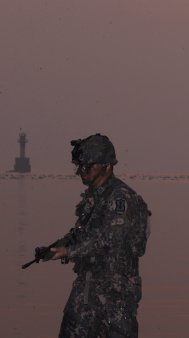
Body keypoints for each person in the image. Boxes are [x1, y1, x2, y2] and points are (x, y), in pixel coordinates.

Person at [49, 133, 150, 337]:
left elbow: (110, 238)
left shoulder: (121, 198)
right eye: (80, 166)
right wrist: (57, 246)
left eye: (87, 166)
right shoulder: (95, 197)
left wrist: (69, 251)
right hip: (87, 288)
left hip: (114, 294)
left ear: (107, 166)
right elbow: (83, 232)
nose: (81, 171)